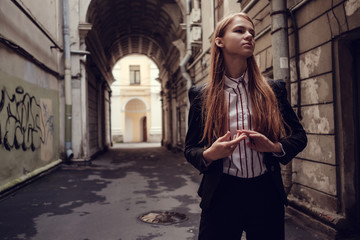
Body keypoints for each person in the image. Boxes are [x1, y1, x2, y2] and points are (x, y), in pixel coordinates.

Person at [184, 12, 307, 240]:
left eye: (251, 31)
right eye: (240, 30)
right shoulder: (202, 95)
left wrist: (273, 147)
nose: (249, 35)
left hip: (265, 194)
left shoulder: (273, 90)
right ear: (219, 41)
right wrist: (210, 154)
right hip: (221, 194)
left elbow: (299, 137)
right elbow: (190, 149)